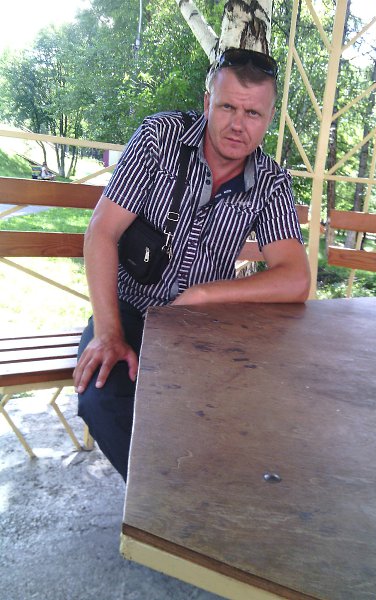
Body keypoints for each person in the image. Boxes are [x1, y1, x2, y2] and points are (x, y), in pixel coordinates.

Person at [74, 48, 311, 480]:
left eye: (253, 113)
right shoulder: (159, 138)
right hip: (131, 311)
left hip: (202, 326)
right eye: (227, 107)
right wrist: (108, 333)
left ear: (269, 119)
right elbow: (101, 233)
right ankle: (166, 504)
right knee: (101, 396)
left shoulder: (271, 182)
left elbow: (295, 278)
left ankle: (211, 492)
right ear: (207, 103)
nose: (238, 125)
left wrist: (203, 294)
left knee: (258, 404)